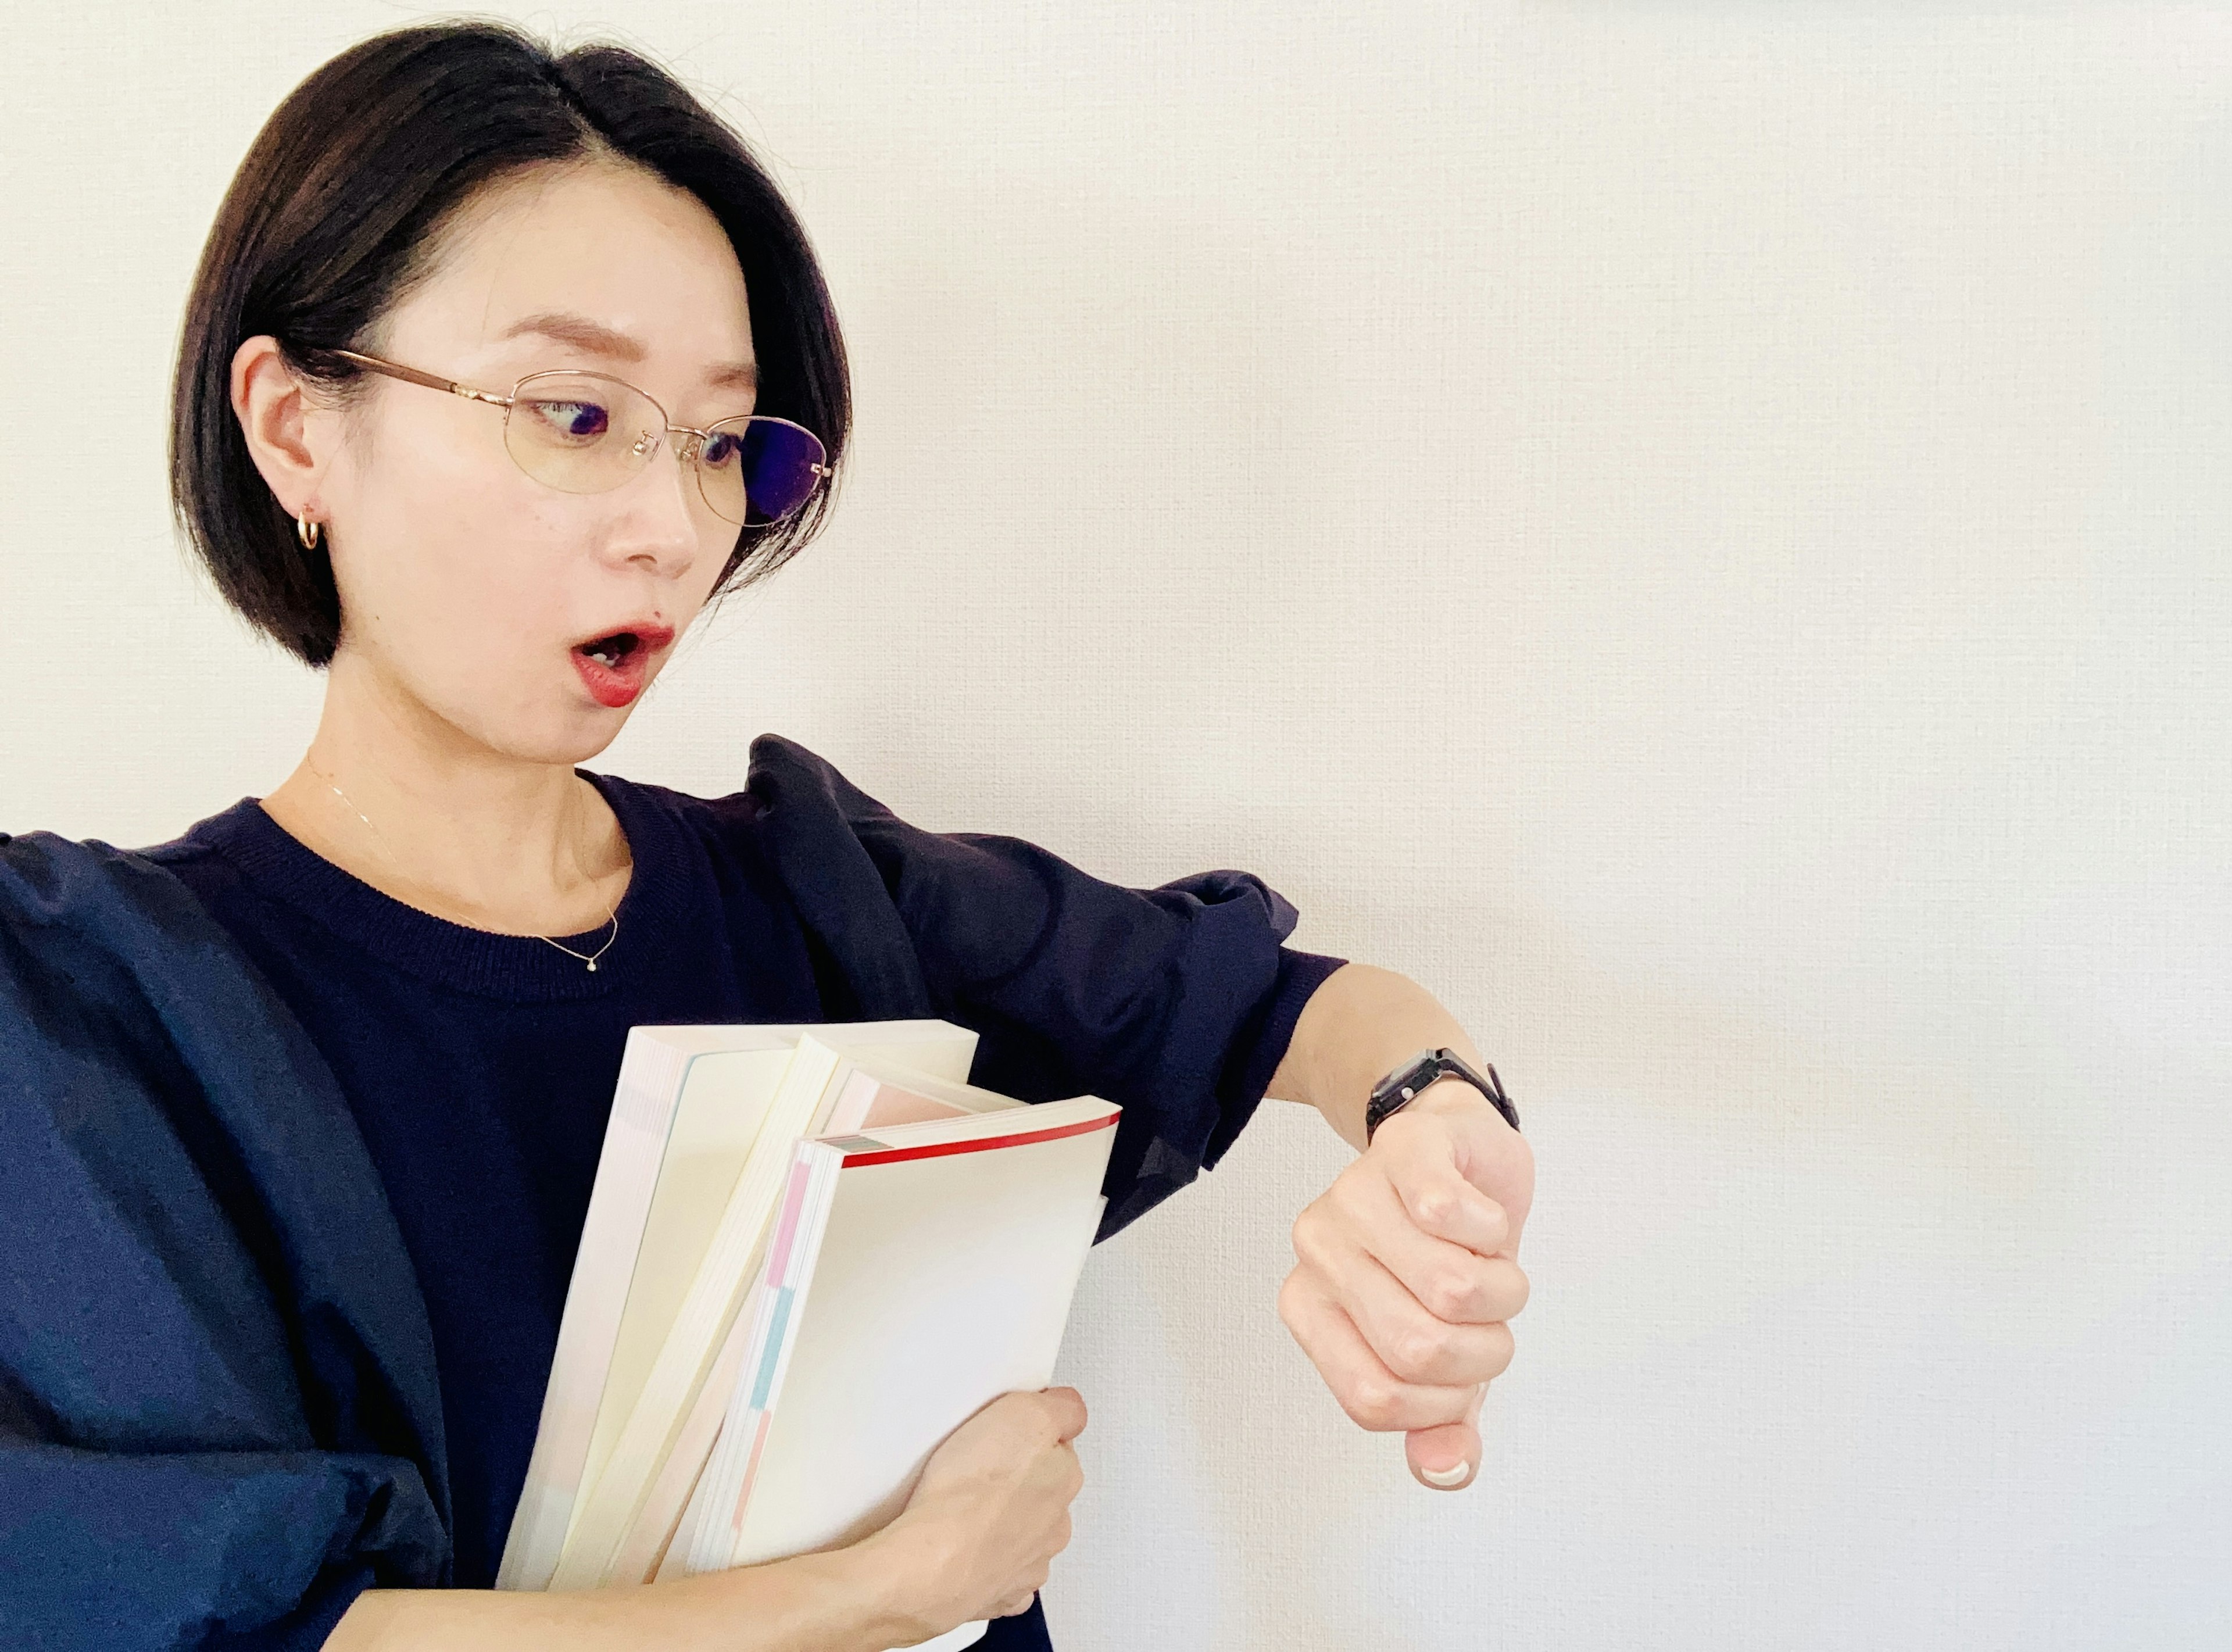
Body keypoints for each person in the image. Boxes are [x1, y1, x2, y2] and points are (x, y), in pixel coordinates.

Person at [0, 20, 1534, 1652]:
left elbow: (1285, 1003)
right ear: (296, 426)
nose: (672, 528)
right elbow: (220, 1621)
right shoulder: (97, 1010)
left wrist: (1432, 1121)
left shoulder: (818, 899)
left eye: (722, 441)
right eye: (575, 413)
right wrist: (883, 1589)